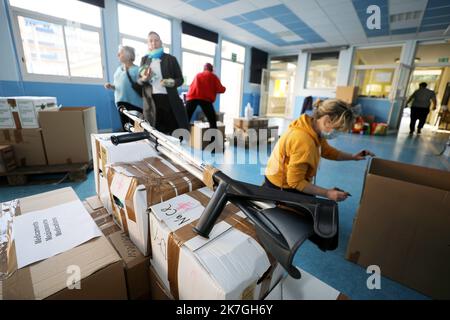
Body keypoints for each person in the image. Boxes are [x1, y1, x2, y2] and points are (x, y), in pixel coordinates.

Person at [264, 99, 375, 202]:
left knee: (313, 198)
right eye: (338, 129)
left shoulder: (310, 126)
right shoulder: (304, 142)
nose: (338, 134)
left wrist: (353, 156)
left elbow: (327, 151)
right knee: (311, 212)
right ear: (327, 120)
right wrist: (327, 193)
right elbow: (295, 182)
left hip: (282, 176)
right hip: (280, 185)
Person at [138, 31, 188, 135]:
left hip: (169, 100)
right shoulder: (145, 60)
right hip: (151, 101)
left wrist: (170, 82)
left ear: (161, 43)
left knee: (171, 131)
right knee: (154, 132)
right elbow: (139, 81)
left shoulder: (171, 59)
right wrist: (144, 78)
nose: (153, 43)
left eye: (156, 40)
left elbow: (180, 79)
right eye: (150, 41)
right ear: (148, 44)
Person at [104, 45, 143, 131]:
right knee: (126, 127)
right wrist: (111, 86)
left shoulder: (137, 70)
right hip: (120, 102)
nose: (118, 55)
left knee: (137, 129)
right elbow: (117, 85)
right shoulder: (119, 69)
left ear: (128, 55)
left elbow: (143, 85)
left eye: (120, 53)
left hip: (135, 104)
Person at [185, 63, 226, 130]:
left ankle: (180, 138)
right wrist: (224, 88)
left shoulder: (198, 75)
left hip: (192, 98)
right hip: (205, 99)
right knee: (212, 121)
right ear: (211, 69)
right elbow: (221, 89)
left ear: (204, 69)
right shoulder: (213, 76)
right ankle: (213, 139)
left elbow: (191, 87)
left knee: (185, 119)